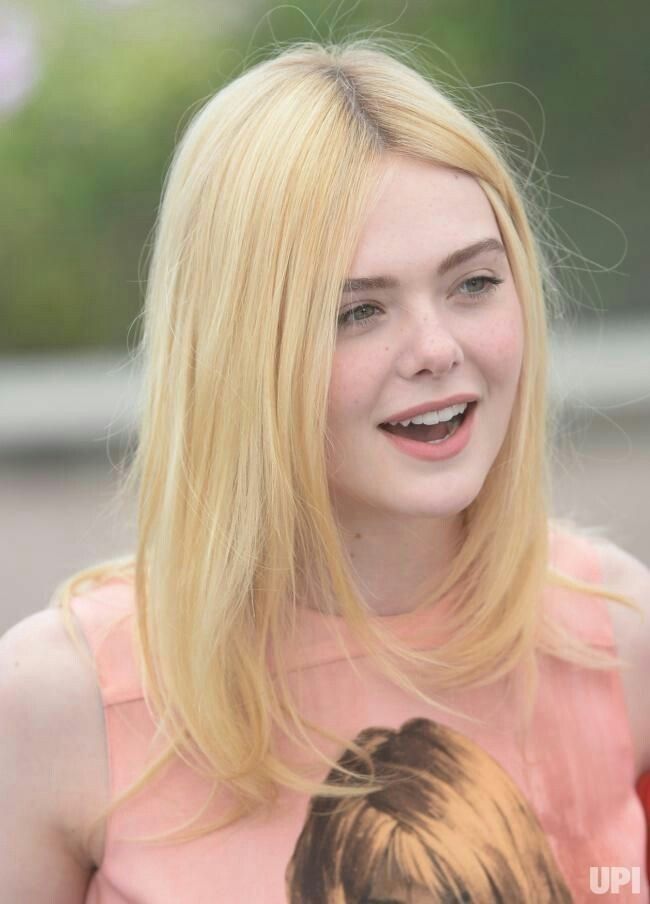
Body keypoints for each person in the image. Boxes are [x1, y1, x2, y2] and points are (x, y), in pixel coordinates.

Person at [1, 36, 648, 904]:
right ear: (236, 349)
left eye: (473, 284)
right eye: (358, 310)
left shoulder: (616, 636)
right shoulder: (61, 705)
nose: (435, 349)